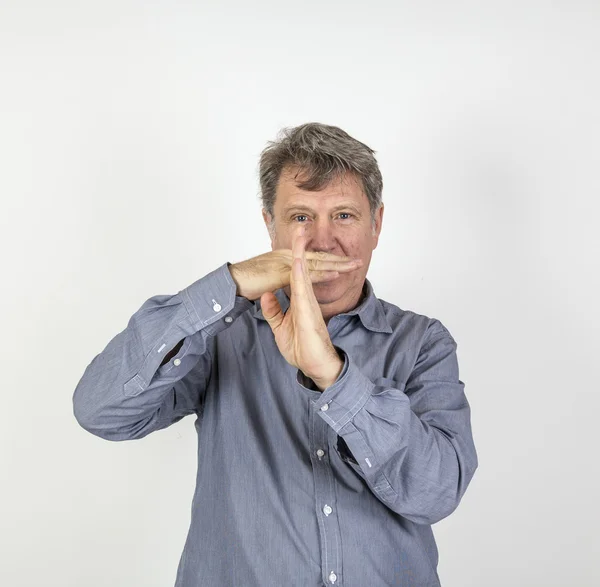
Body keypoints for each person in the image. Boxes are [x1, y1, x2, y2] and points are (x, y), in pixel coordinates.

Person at [73, 122, 478, 587]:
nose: (322, 242)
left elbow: (437, 492)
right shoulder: (222, 335)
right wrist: (231, 284)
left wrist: (332, 375)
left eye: (343, 215)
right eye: (301, 218)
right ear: (271, 226)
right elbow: (100, 411)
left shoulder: (422, 342)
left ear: (376, 225)